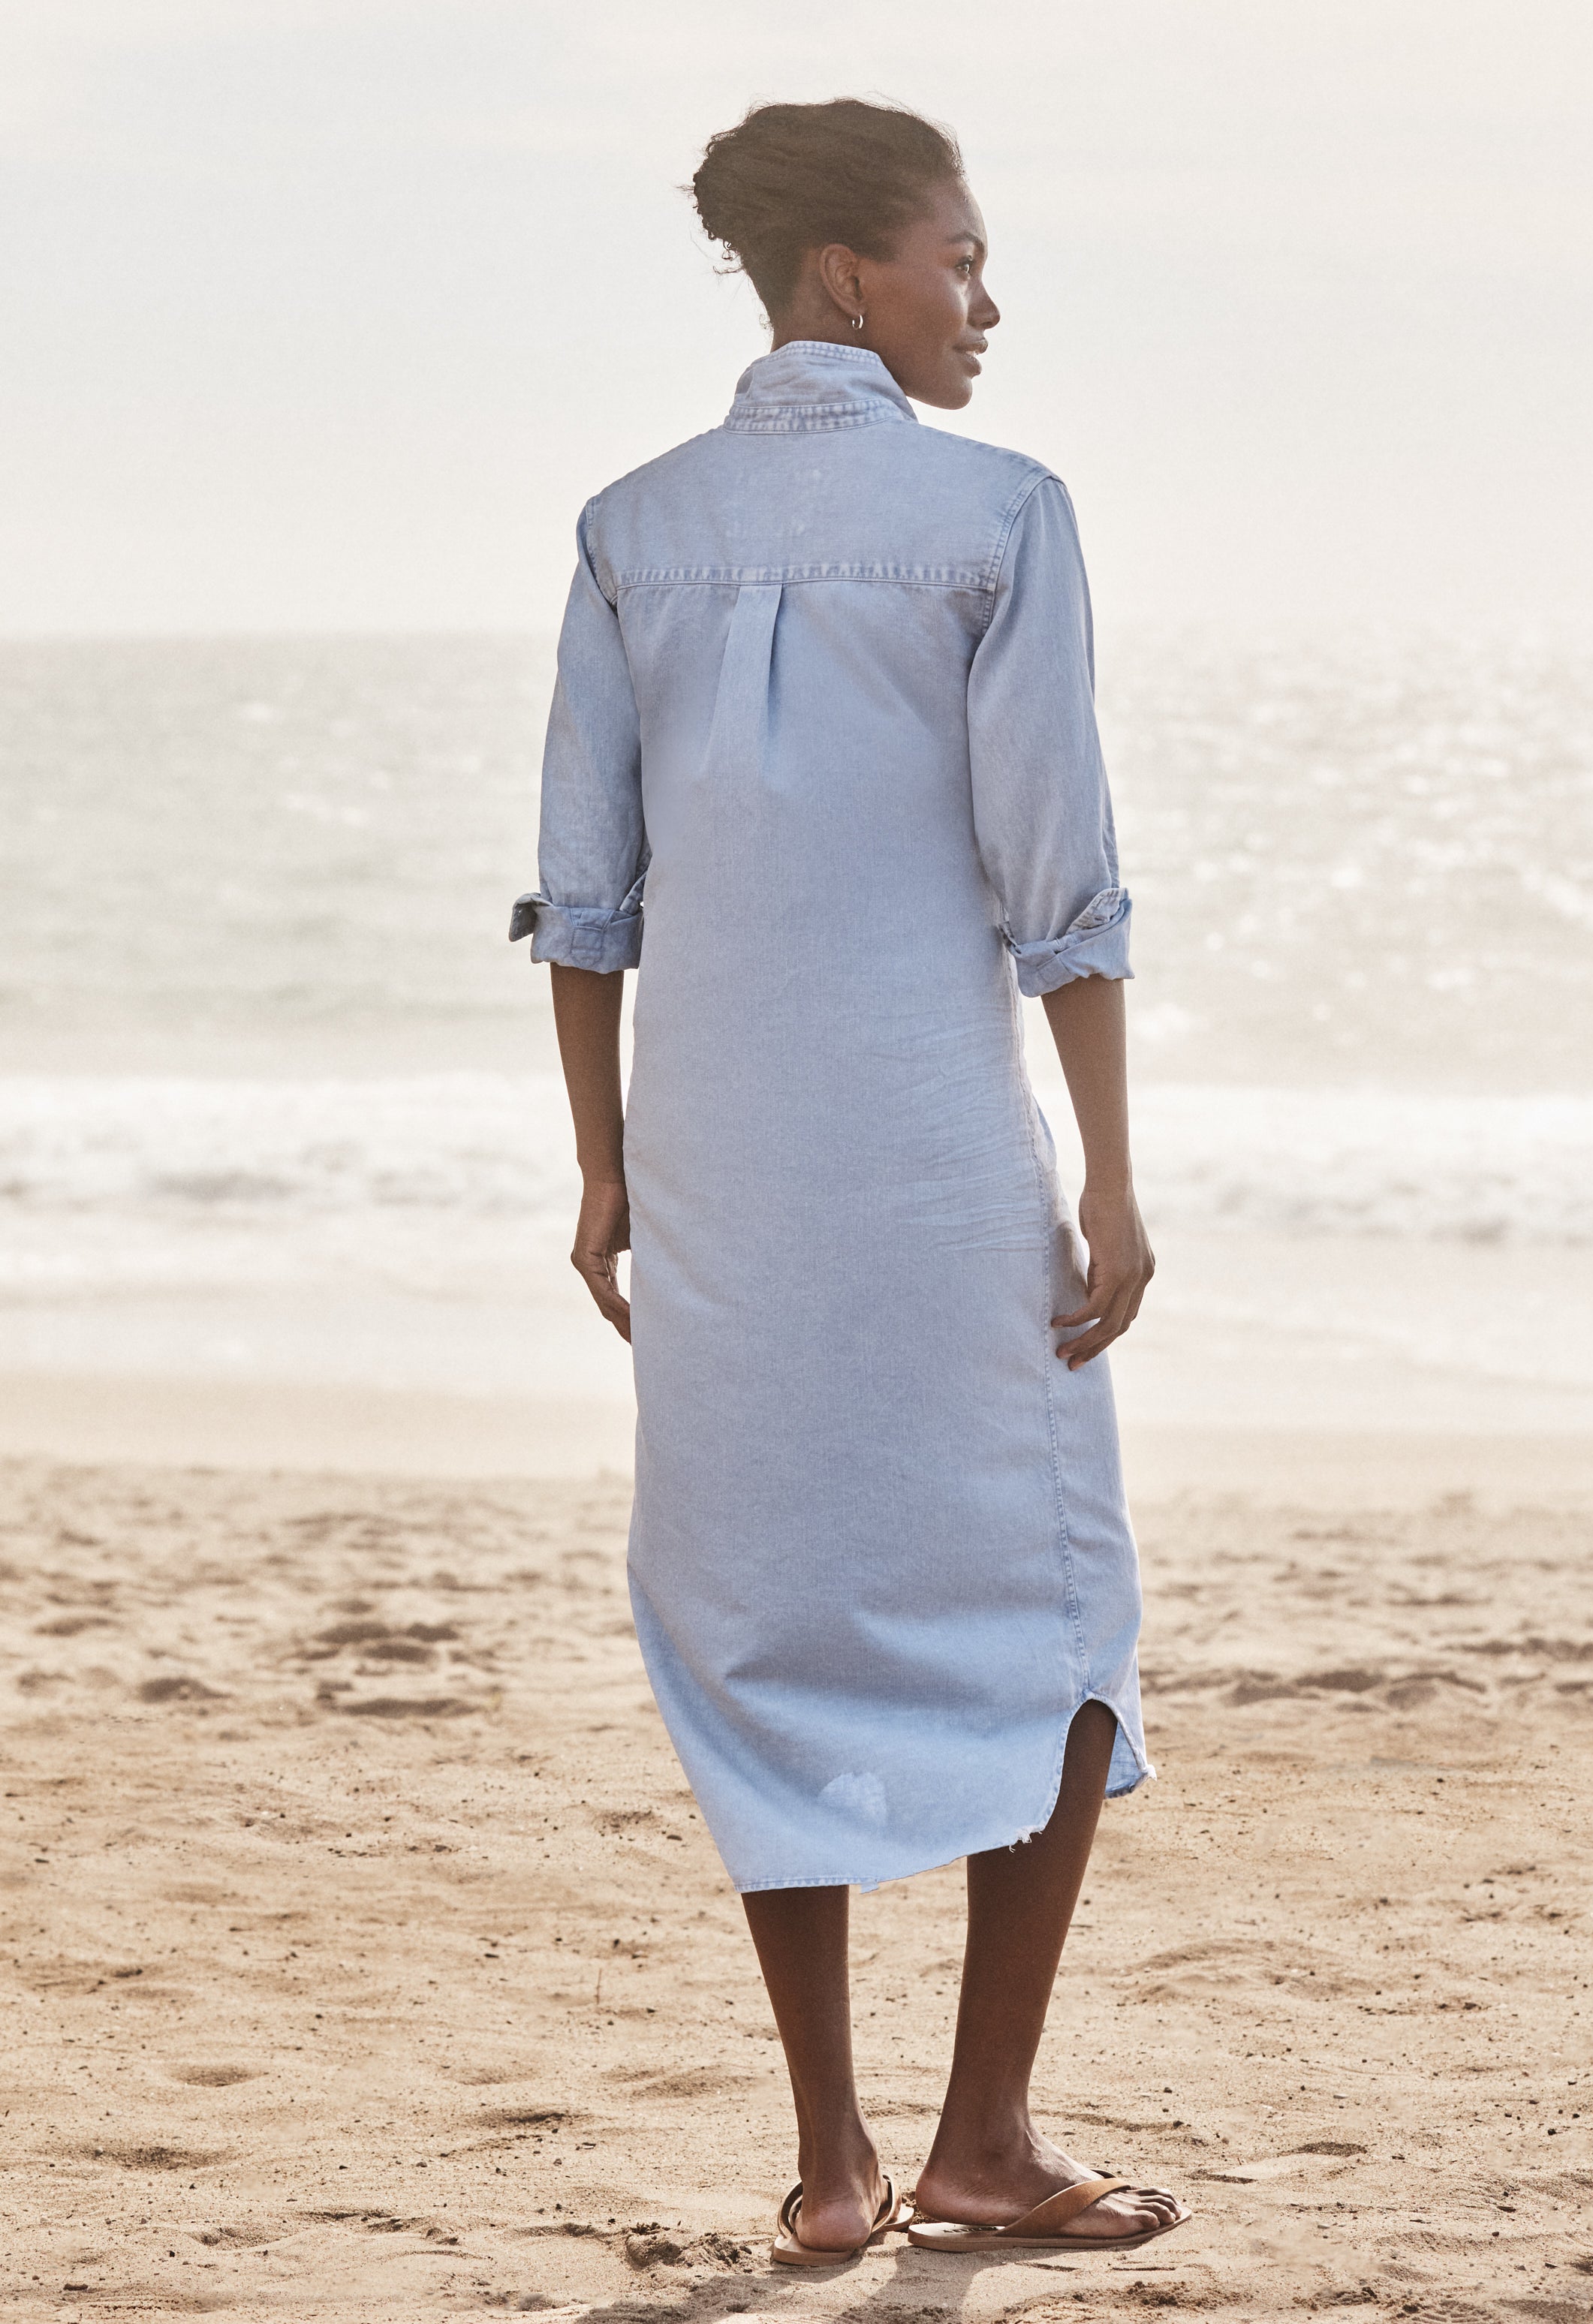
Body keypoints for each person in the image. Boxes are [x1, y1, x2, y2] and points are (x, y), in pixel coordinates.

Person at [511, 95, 1182, 2265]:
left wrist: (605, 1173)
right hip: (923, 1142)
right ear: (843, 280)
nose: (984, 300)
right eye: (958, 259)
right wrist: (1110, 1172)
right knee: (1058, 1618)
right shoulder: (998, 513)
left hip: (717, 1151)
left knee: (753, 1618)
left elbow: (584, 896)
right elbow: (1052, 882)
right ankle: (982, 2140)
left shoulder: (629, 525)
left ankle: (830, 2164)